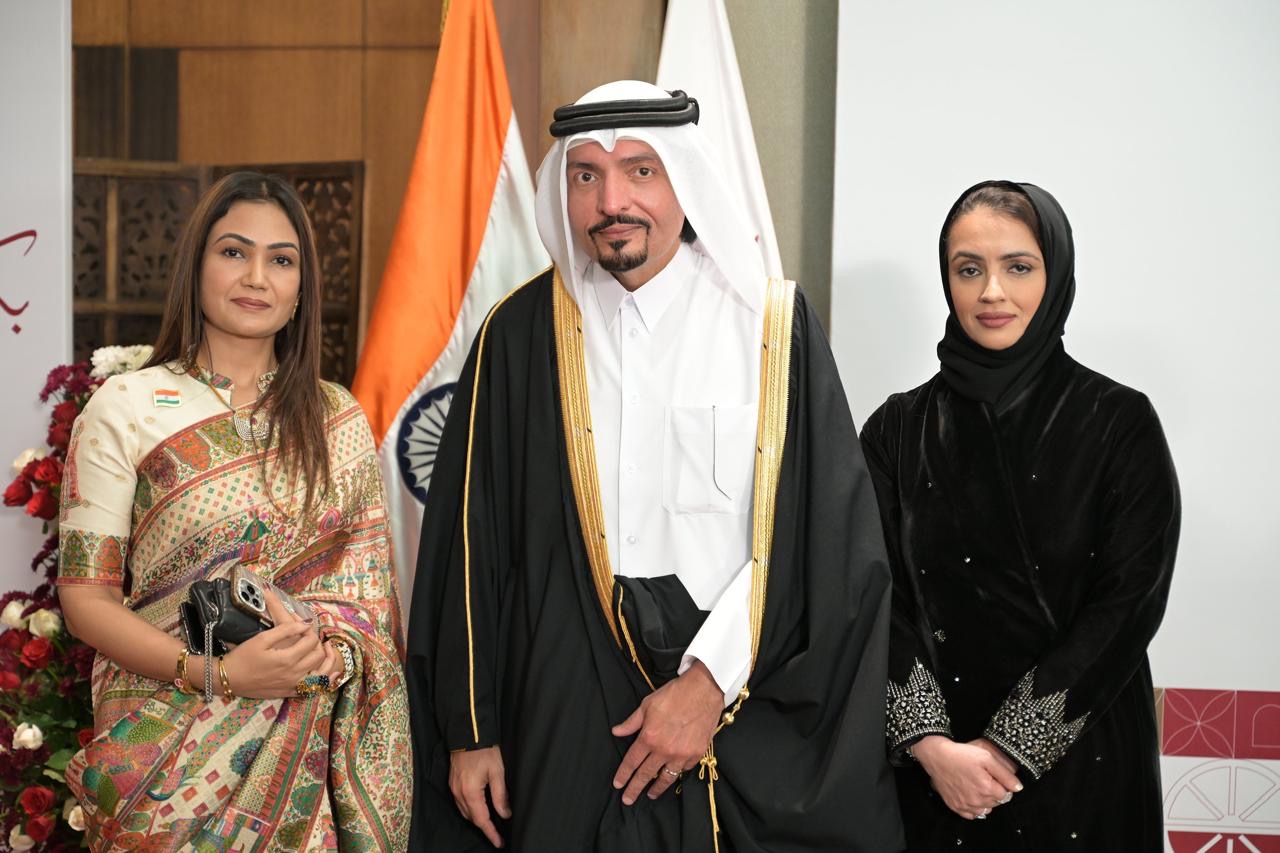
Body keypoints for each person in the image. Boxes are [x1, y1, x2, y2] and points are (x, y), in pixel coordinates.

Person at [405, 81, 903, 851]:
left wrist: (707, 683)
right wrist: (470, 730)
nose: (613, 201)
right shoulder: (518, 336)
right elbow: (471, 546)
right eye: (586, 175)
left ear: (685, 179)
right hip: (563, 702)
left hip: (737, 700)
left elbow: (819, 539)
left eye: (642, 170)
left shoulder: (769, 329)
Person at [57, 172, 412, 851]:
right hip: (161, 750)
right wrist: (219, 675)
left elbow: (369, 598)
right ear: (195, 267)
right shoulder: (126, 406)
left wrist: (325, 656)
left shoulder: (335, 417)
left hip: (302, 751)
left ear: (302, 286)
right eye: (233, 252)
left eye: (281, 260)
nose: (256, 277)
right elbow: (85, 599)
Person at [860, 180, 1180, 850]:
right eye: (968, 269)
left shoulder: (1118, 422)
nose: (992, 292)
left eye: (1019, 267)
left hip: (1082, 761)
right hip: (936, 773)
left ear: (1055, 274)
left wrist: (1007, 751)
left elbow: (1129, 601)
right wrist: (932, 746)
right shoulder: (896, 428)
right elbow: (869, 592)